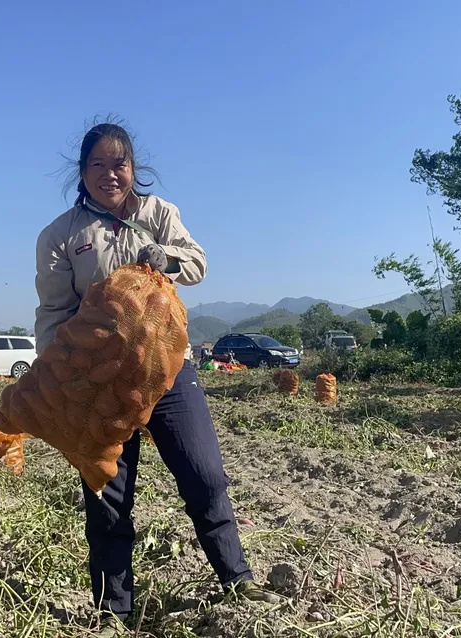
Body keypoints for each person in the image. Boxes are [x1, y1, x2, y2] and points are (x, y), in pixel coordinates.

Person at [34, 121, 271, 636]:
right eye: (97, 164)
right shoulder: (61, 235)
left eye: (119, 163)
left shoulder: (159, 214)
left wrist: (169, 258)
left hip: (167, 370)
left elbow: (198, 262)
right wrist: (54, 374)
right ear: (82, 173)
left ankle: (237, 577)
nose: (109, 174)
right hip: (101, 385)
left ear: (133, 170)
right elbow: (53, 311)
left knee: (204, 475)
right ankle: (114, 612)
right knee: (107, 498)